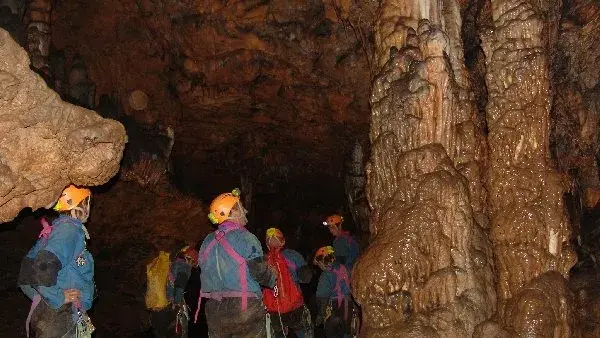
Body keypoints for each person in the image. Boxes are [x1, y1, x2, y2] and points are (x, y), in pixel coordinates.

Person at [196, 188, 276, 337]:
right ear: (231, 213)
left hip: (215, 311)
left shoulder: (207, 241)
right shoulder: (245, 237)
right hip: (244, 308)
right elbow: (260, 272)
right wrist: (272, 278)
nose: (245, 210)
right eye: (240, 207)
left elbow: (204, 269)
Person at [18, 184, 95, 338]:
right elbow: (40, 268)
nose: (89, 208)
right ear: (79, 204)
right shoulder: (70, 230)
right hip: (62, 319)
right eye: (87, 202)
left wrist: (42, 300)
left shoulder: (53, 232)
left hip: (52, 318)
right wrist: (58, 297)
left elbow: (25, 276)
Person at [263, 227, 313, 338]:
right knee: (304, 333)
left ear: (267, 244)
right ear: (283, 241)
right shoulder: (293, 255)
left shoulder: (263, 260)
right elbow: (306, 278)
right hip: (296, 307)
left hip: (274, 311)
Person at [150, 246, 198, 338]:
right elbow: (179, 286)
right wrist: (177, 302)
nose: (193, 266)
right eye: (194, 263)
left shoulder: (174, 263)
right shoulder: (185, 267)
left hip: (159, 307)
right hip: (171, 307)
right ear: (190, 259)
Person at [313, 246, 354, 338]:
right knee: (347, 333)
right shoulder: (346, 267)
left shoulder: (325, 275)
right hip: (349, 306)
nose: (319, 266)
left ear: (322, 261)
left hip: (334, 310)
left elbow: (322, 298)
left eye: (319, 263)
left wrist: (320, 315)